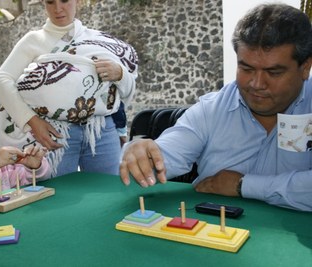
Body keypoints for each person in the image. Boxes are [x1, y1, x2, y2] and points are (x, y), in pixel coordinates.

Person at [120, 3, 312, 211]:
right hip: (214, 234)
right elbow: (166, 154)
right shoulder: (211, 110)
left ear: (305, 68)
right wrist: (141, 156)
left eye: (273, 72)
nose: (257, 83)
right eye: (246, 68)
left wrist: (242, 185)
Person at [0, 0, 138, 177]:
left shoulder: (99, 40)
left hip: (101, 129)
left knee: (109, 192)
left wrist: (120, 74)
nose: (58, 9)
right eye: (50, 2)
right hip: (54, 132)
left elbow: (126, 88)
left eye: (65, 1)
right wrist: (32, 122)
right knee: (56, 196)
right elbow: (0, 81)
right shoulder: (34, 40)